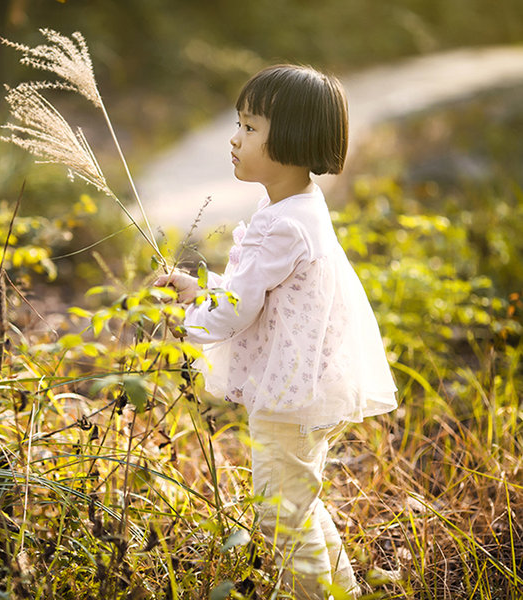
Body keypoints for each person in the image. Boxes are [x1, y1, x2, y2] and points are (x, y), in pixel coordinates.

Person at [155, 64, 398, 599]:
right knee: (296, 501)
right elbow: (255, 288)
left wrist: (187, 322)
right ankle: (343, 593)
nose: (234, 139)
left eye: (249, 128)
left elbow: (237, 309)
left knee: (280, 512)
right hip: (302, 385)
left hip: (291, 394)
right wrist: (200, 291)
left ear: (291, 138)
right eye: (239, 124)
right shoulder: (291, 206)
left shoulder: (283, 222)